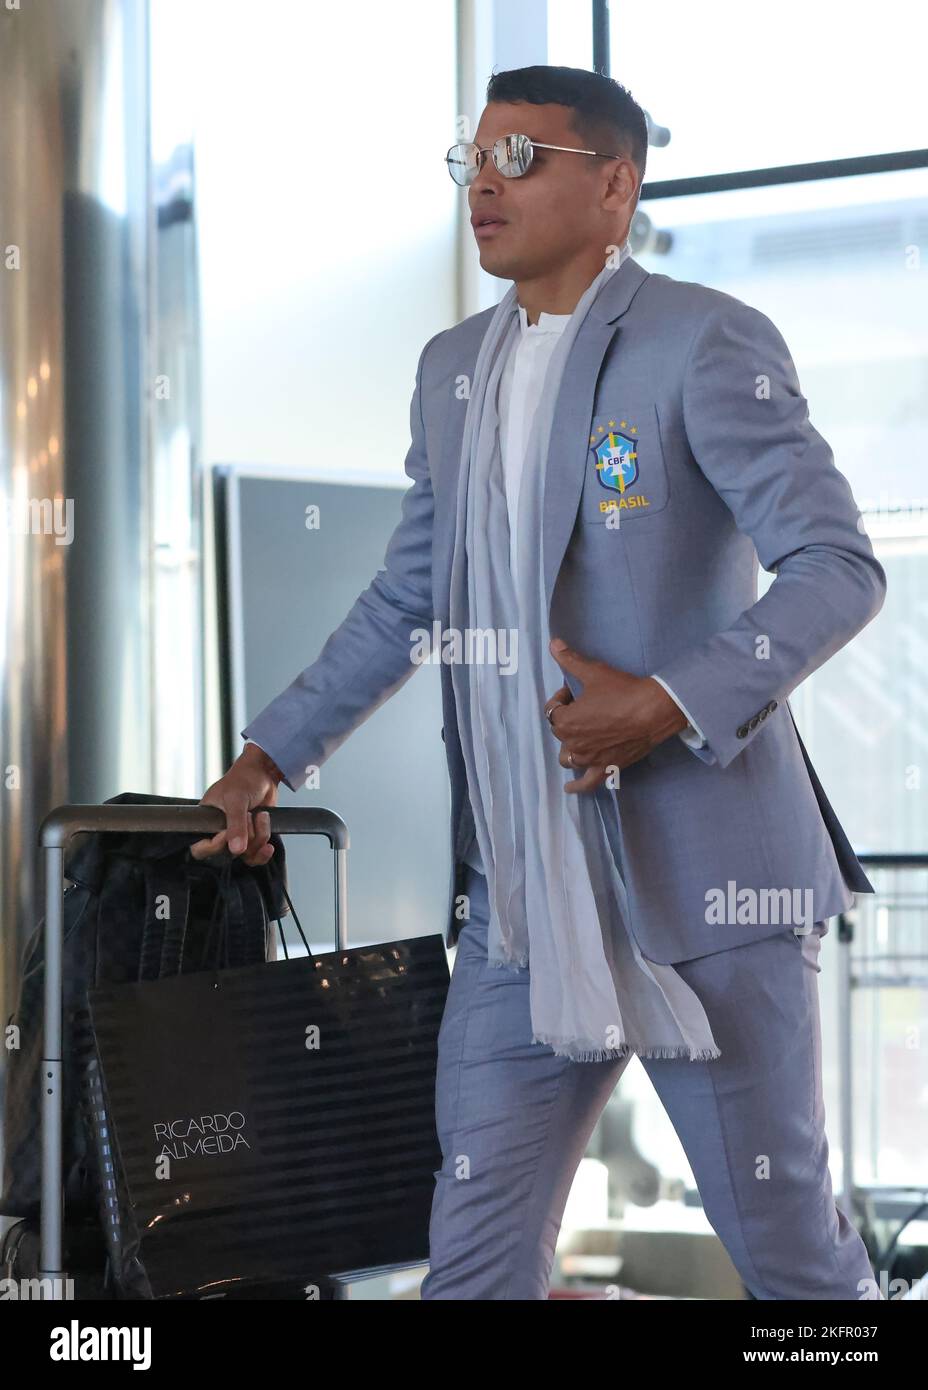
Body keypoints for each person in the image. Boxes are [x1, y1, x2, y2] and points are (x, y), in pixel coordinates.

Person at [191, 65, 886, 1300]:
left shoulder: (702, 339)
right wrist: (268, 755)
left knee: (792, 1266)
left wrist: (667, 700)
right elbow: (412, 598)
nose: (483, 185)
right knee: (468, 1269)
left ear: (613, 186)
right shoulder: (452, 371)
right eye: (472, 159)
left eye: (520, 158)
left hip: (704, 893)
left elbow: (836, 567)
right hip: (519, 909)